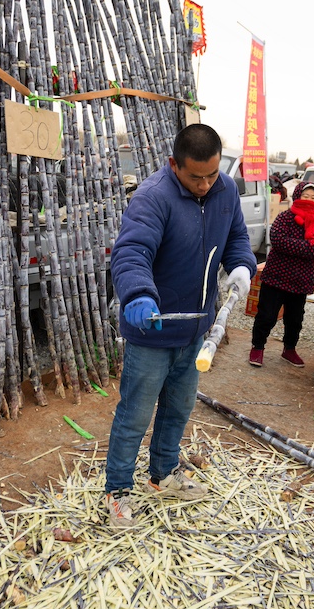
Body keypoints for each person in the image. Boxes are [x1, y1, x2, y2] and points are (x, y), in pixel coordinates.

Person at [104, 124, 257, 531]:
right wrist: (137, 294)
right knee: (135, 415)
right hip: (153, 331)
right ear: (174, 164)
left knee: (178, 409)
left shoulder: (225, 191)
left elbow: (237, 238)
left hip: (196, 331)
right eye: (195, 177)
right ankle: (117, 492)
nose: (206, 184)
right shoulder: (153, 197)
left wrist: (242, 266)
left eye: (212, 174)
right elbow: (132, 251)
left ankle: (162, 474)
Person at [249, 181, 314, 369]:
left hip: (301, 281)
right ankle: (258, 347)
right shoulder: (284, 218)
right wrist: (307, 247)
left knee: (295, 319)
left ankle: (289, 349)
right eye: (305, 196)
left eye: (313, 197)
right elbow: (278, 240)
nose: (309, 200)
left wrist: (296, 246)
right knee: (266, 315)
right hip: (276, 277)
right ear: (297, 196)